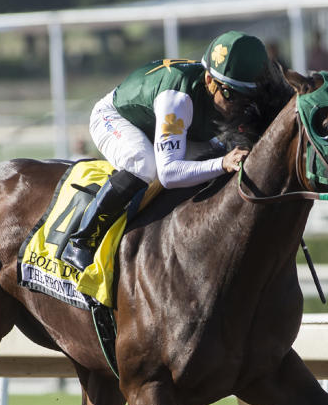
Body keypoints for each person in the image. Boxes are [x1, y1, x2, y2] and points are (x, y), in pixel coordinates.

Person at [61, 31, 268, 270]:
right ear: (210, 81)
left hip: (169, 124)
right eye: (232, 96)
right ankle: (81, 241)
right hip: (114, 118)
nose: (239, 107)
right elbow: (169, 174)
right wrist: (223, 163)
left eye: (248, 98)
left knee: (212, 157)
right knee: (145, 165)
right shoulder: (178, 101)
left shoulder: (218, 92)